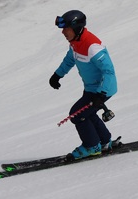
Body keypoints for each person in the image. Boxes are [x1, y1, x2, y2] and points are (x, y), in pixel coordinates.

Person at [49, 10, 117, 160]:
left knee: (77, 115)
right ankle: (105, 142)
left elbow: (109, 71)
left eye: (65, 28)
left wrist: (102, 93)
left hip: (102, 89)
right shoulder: (75, 44)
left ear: (76, 28)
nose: (63, 32)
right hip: (91, 89)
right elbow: (69, 60)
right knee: (87, 113)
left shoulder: (92, 46)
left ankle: (92, 146)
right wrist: (57, 75)